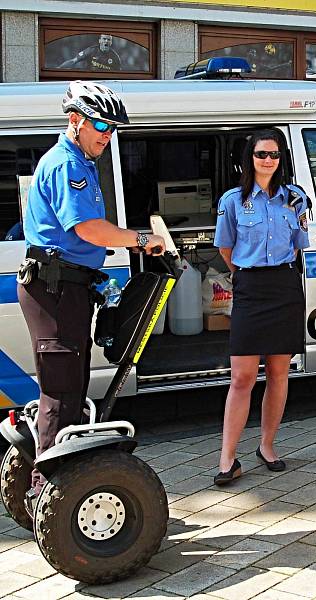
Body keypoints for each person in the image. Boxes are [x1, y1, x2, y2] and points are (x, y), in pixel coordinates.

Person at [19, 80, 164, 513]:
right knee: (61, 393)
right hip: (55, 288)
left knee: (70, 386)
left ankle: (56, 483)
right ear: (75, 120)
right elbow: (88, 230)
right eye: (100, 124)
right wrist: (140, 239)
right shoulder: (67, 164)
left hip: (69, 287)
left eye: (112, 127)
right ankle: (47, 497)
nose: (107, 133)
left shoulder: (80, 159)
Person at [213, 130, 310, 485]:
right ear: (249, 158)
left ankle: (267, 447)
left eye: (273, 154)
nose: (268, 160)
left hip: (284, 287)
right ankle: (227, 458)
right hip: (251, 287)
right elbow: (226, 249)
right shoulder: (233, 201)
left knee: (279, 373)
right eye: (261, 154)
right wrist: (249, 272)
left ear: (281, 158)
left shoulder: (295, 199)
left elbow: (299, 243)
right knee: (242, 377)